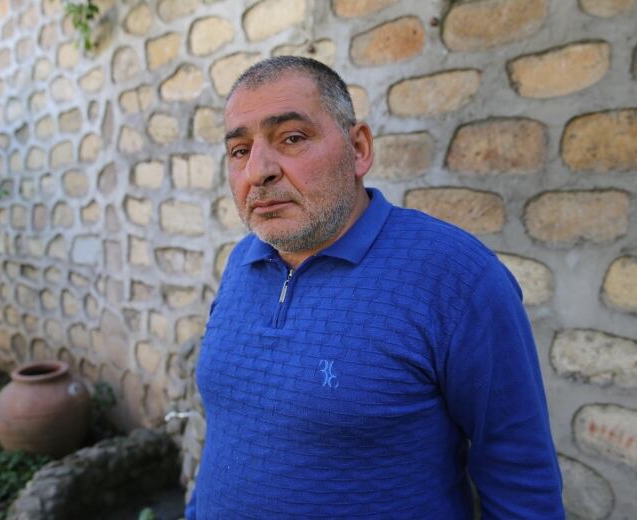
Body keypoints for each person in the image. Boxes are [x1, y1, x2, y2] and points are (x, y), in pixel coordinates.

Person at [185, 56, 565, 519]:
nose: (257, 171)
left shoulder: (456, 277)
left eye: (292, 138)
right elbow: (227, 437)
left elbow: (521, 479)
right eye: (239, 150)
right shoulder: (240, 262)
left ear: (359, 148)